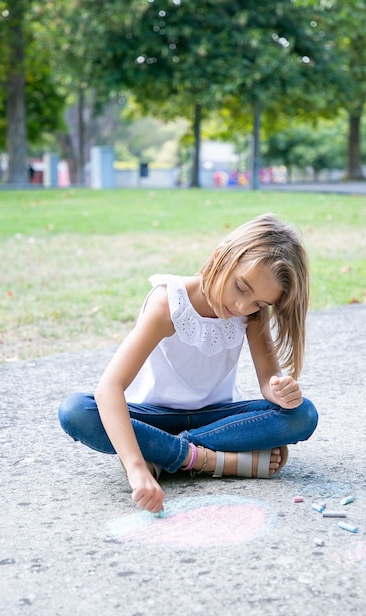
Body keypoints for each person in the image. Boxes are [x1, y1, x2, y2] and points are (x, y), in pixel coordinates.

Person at [58, 214, 318, 514]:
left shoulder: (252, 315)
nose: (243, 307)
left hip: (217, 420)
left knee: (302, 414)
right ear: (222, 256)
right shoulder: (168, 304)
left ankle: (164, 453)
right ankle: (216, 461)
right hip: (155, 418)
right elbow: (109, 388)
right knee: (76, 411)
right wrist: (135, 469)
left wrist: (280, 391)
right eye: (242, 287)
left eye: (260, 303)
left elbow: (268, 380)